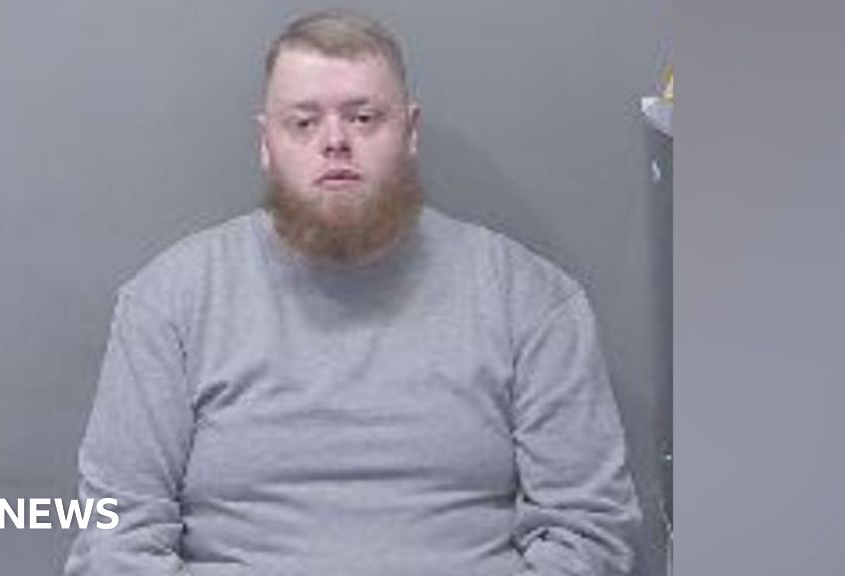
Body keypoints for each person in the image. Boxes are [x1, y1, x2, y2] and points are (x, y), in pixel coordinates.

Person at [65, 9, 641, 576]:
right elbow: (116, 534)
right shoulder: (169, 302)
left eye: (364, 118)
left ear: (410, 132)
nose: (335, 141)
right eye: (303, 122)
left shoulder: (530, 300)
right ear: (266, 142)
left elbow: (588, 530)